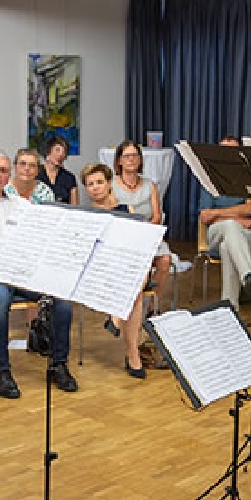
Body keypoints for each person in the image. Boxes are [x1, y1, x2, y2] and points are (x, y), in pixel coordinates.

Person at [0, 150, 79, 399]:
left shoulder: (21, 206)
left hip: (21, 270)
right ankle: (2, 372)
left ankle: (59, 365)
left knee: (61, 297)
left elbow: (39, 237)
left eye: (3, 170)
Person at [82, 162, 147, 378]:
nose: (95, 187)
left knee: (138, 269)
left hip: (126, 265)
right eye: (90, 184)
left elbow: (137, 242)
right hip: (99, 268)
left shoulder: (127, 210)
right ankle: (133, 356)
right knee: (135, 292)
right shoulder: (86, 215)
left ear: (109, 183)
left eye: (99, 182)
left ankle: (117, 318)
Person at [197, 136, 251, 310]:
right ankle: (248, 273)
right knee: (231, 227)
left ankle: (230, 307)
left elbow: (250, 208)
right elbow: (205, 216)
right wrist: (236, 219)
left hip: (248, 236)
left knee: (227, 247)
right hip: (216, 233)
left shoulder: (249, 179)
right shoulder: (209, 180)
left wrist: (217, 213)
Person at [112, 139, 173, 309]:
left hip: (148, 234)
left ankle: (153, 307)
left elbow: (157, 216)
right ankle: (130, 306)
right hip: (124, 237)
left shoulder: (150, 185)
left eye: (135, 155)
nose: (131, 159)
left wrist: (145, 232)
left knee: (165, 260)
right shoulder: (112, 186)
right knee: (139, 263)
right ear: (119, 160)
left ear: (140, 160)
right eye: (127, 156)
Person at [37, 134, 78, 205]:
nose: (61, 154)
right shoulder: (35, 173)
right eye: (57, 150)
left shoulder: (70, 178)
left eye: (64, 152)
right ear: (48, 152)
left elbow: (74, 207)